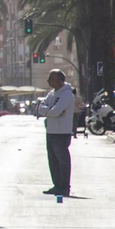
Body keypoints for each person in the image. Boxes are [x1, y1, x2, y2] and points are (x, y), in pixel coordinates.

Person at [33, 68, 76, 196]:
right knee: (52, 161)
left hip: (62, 132)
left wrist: (50, 111)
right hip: (51, 131)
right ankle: (57, 185)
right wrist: (50, 110)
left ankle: (64, 187)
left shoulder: (67, 94)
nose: (48, 81)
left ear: (59, 80)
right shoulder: (52, 94)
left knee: (62, 161)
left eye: (50, 78)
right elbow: (40, 108)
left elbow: (56, 111)